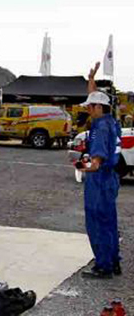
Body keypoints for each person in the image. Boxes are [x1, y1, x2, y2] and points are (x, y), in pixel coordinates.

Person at [76, 63, 121, 278]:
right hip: (110, 179)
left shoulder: (99, 129)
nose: (87, 109)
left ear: (98, 108)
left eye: (90, 106)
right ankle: (113, 261)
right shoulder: (112, 122)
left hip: (99, 179)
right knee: (109, 221)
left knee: (97, 222)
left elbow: (95, 163)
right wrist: (91, 80)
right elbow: (97, 98)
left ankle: (103, 266)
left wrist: (79, 166)